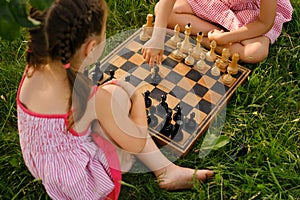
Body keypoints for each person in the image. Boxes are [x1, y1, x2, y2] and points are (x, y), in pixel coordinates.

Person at [17, 0, 214, 199]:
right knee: (118, 95)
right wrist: (135, 97)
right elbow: (135, 142)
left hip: (46, 169)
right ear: (90, 47)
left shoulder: (33, 69)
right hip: (85, 186)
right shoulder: (90, 98)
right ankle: (165, 171)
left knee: (110, 98)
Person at [142, 0, 293, 64]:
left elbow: (264, 23)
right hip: (215, 3)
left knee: (255, 52)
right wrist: (157, 36)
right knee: (164, 12)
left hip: (250, 10)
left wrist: (225, 38)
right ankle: (208, 33)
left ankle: (195, 36)